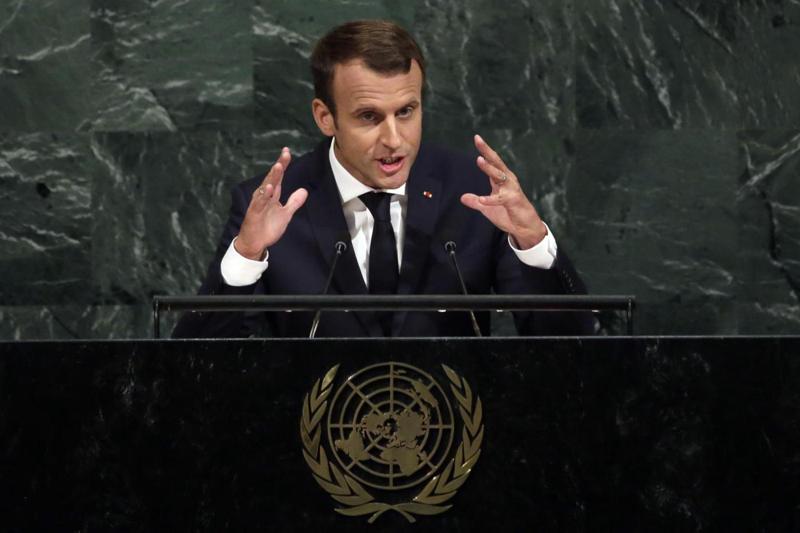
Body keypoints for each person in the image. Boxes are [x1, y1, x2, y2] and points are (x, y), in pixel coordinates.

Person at [173, 20, 594, 338]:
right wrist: (246, 257)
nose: (394, 139)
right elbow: (196, 366)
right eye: (369, 117)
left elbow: (575, 350)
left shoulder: (475, 193)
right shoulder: (270, 205)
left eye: (406, 111)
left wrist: (534, 242)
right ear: (325, 117)